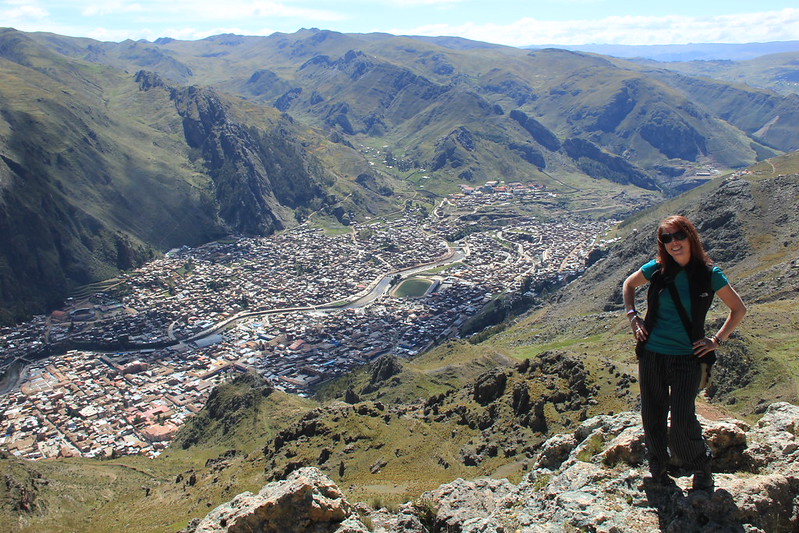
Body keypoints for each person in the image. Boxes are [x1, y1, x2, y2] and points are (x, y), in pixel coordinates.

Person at [622, 215, 746, 491]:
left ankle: (701, 468)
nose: (674, 243)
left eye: (679, 235)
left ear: (691, 236)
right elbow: (629, 284)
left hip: (687, 357)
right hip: (652, 354)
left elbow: (738, 309)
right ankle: (657, 466)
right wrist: (633, 317)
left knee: (682, 418)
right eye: (667, 238)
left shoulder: (710, 274)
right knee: (652, 413)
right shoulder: (657, 268)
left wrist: (717, 340)